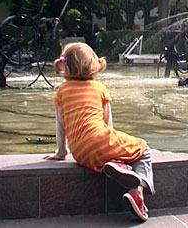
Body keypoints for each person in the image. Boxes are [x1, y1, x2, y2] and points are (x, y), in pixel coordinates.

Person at [44, 42, 154, 221]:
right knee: (144, 149)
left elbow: (60, 125)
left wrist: (61, 153)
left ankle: (117, 164)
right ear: (92, 65)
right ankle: (138, 191)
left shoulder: (62, 91)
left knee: (107, 148)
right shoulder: (99, 88)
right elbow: (108, 125)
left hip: (79, 152)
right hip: (101, 140)